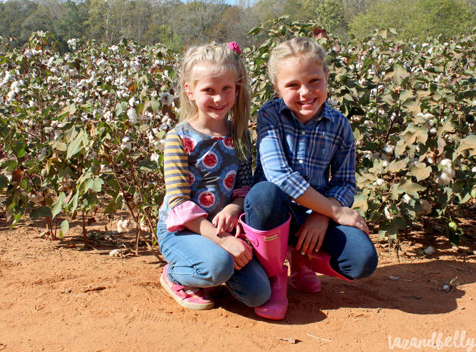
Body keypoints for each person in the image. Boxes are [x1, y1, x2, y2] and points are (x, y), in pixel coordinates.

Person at [239, 36, 377, 320]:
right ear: (277, 88)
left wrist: (323, 215)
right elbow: (280, 177)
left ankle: (303, 259)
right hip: (273, 213)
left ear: (326, 77)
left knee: (361, 261)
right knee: (265, 194)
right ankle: (275, 274)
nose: (306, 92)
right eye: (292, 85)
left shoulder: (339, 124)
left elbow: (345, 181)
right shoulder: (270, 115)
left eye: (314, 80)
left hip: (314, 213)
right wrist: (335, 210)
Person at [157, 42, 270, 311]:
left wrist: (232, 208)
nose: (219, 99)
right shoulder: (178, 139)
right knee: (218, 266)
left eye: (226, 89)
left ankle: (214, 268)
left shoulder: (240, 135)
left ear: (236, 88)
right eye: (208, 90)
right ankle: (174, 275)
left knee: (258, 295)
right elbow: (179, 205)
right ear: (190, 90)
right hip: (181, 231)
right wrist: (225, 242)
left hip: (223, 229)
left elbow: (244, 188)